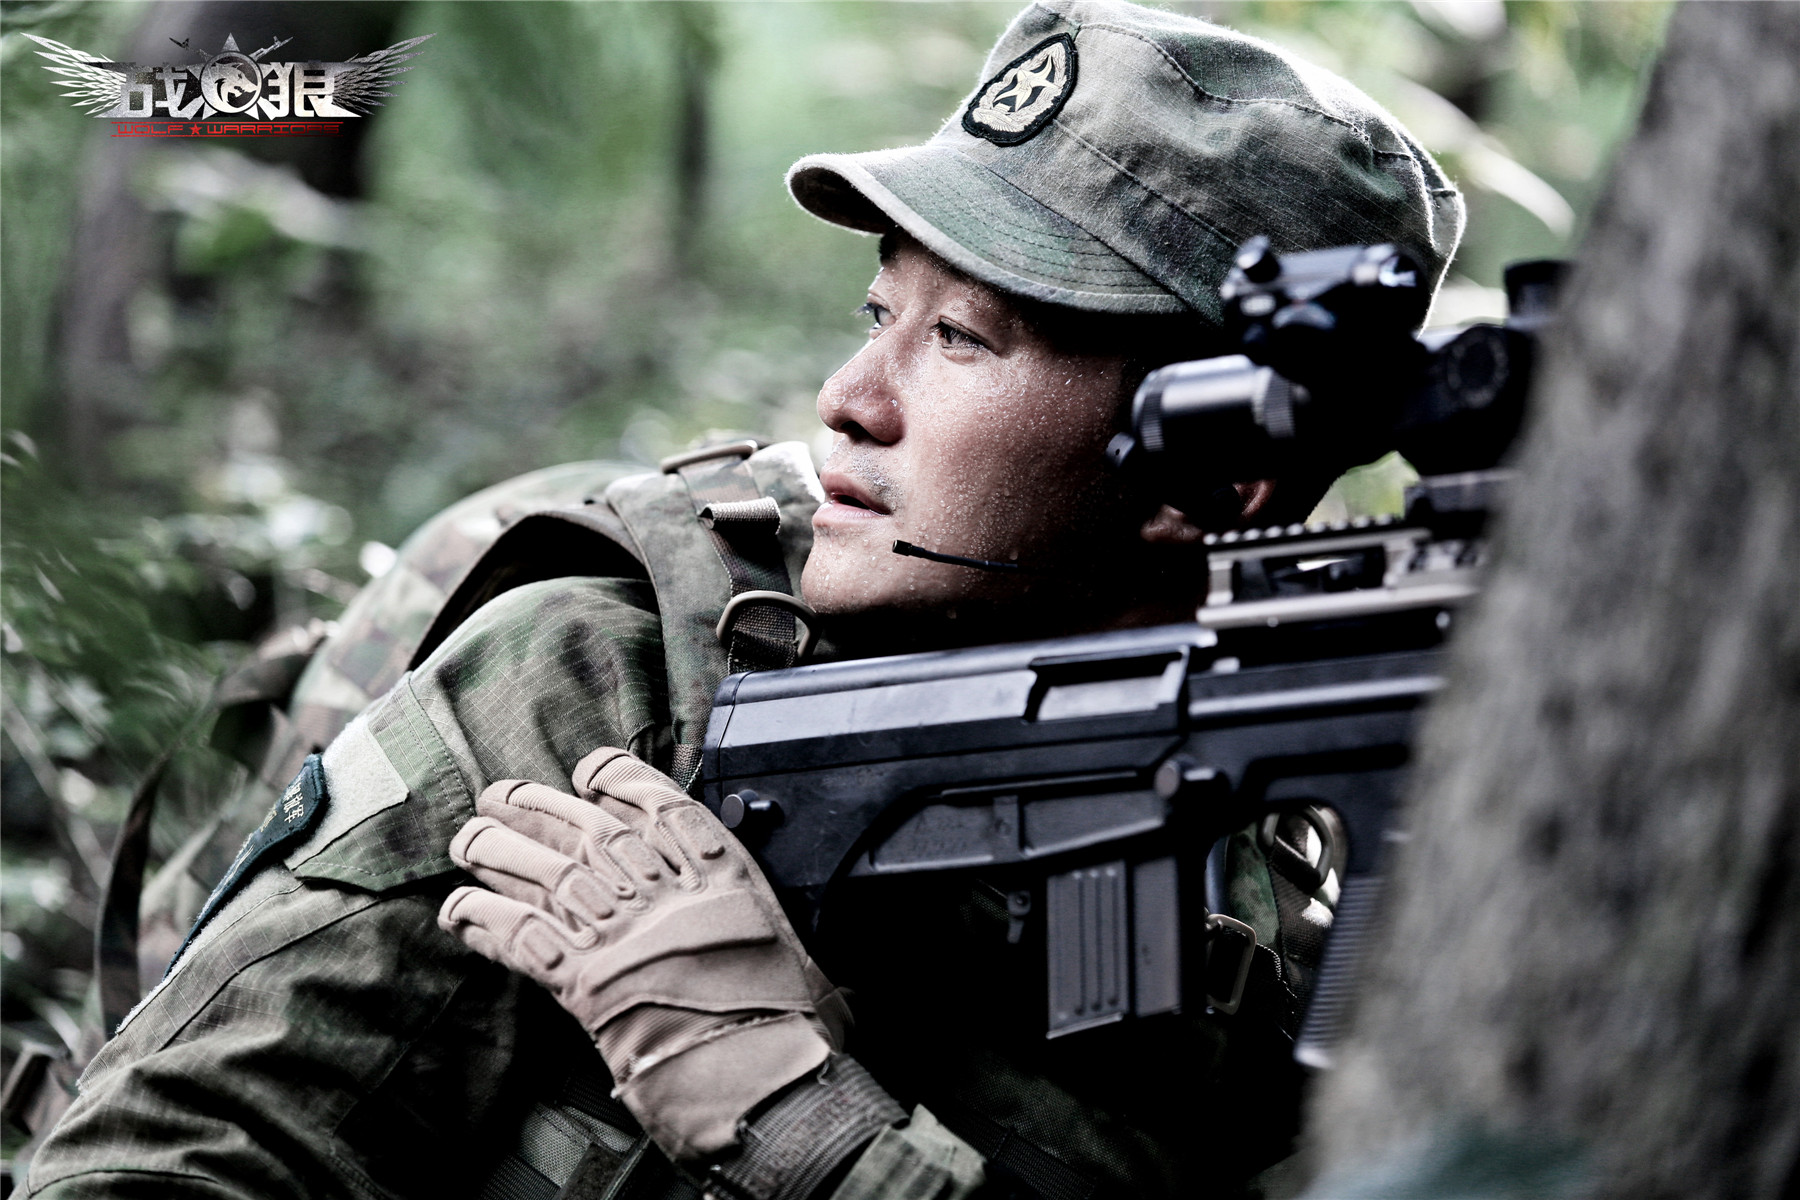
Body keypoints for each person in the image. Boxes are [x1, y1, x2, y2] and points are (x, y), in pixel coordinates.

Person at [22, 3, 1462, 1198]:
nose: (849, 399)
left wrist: (790, 1108)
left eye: (963, 339)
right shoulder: (620, 679)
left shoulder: (1290, 873)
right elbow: (148, 1166)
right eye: (880, 313)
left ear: (1209, 477)